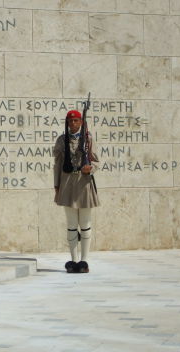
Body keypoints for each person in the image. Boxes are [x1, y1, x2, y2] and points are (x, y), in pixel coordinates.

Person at [53, 109, 100, 274]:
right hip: (67, 185)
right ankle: (73, 261)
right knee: (72, 225)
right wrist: (57, 187)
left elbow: (96, 161)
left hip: (84, 185)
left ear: (81, 122)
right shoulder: (62, 140)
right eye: (70, 121)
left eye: (76, 121)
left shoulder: (88, 140)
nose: (73, 124)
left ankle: (84, 261)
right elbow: (57, 165)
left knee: (85, 224)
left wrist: (90, 169)